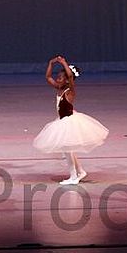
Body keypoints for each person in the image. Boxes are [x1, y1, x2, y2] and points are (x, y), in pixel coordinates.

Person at [33, 56, 108, 185]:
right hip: (62, 121)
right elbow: (48, 77)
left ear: (67, 81)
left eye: (61, 78)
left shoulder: (70, 91)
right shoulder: (59, 88)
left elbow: (71, 76)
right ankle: (80, 171)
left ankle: (73, 176)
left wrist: (63, 63)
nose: (57, 79)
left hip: (69, 122)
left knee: (67, 150)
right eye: (58, 77)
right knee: (68, 150)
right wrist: (51, 63)